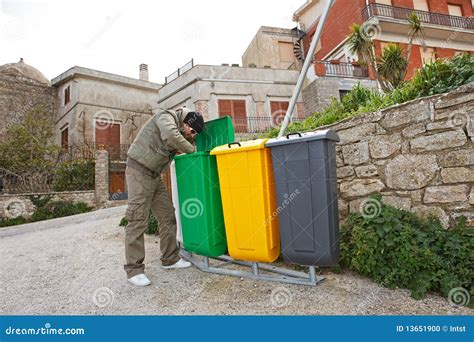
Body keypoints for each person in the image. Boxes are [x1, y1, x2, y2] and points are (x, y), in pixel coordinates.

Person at [124, 107, 204, 286]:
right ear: (185, 123)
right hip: (138, 171)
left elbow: (171, 142)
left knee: (167, 215)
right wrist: (192, 150)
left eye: (196, 134)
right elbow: (170, 135)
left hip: (154, 175)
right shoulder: (165, 117)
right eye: (193, 131)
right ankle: (133, 270)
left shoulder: (180, 132)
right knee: (137, 219)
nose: (193, 135)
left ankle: (170, 259)